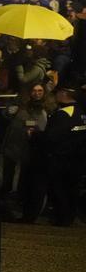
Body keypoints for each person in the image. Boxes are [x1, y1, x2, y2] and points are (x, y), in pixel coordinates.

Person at [27, 80, 86, 226]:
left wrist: (34, 135)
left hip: (60, 160)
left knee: (59, 191)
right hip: (76, 159)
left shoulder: (63, 114)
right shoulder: (81, 112)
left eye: (58, 92)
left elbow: (51, 138)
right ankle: (69, 217)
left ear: (64, 94)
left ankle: (61, 220)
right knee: (71, 190)